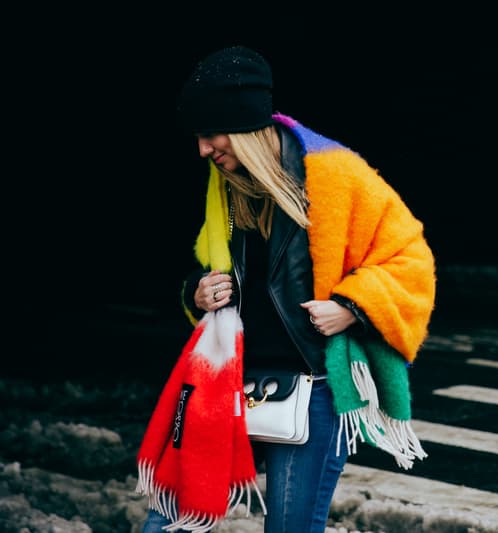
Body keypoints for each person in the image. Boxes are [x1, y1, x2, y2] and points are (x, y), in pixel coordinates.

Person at [135, 45, 436, 533]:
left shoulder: (335, 176)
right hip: (225, 378)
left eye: (211, 135)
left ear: (245, 129)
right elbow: (210, 263)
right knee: (169, 520)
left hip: (315, 389)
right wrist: (198, 290)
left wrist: (351, 307)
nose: (203, 151)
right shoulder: (225, 182)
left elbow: (411, 260)